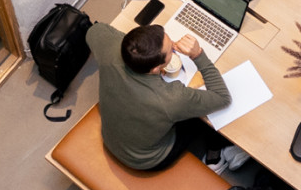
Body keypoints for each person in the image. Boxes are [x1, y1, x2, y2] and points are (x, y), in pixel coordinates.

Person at [90, 22, 229, 171]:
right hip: (145, 159)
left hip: (111, 137)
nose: (175, 47)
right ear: (156, 68)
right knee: (201, 118)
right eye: (171, 50)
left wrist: (140, 50)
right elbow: (222, 97)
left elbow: (93, 30)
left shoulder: (109, 47)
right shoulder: (172, 98)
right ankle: (216, 155)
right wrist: (198, 55)